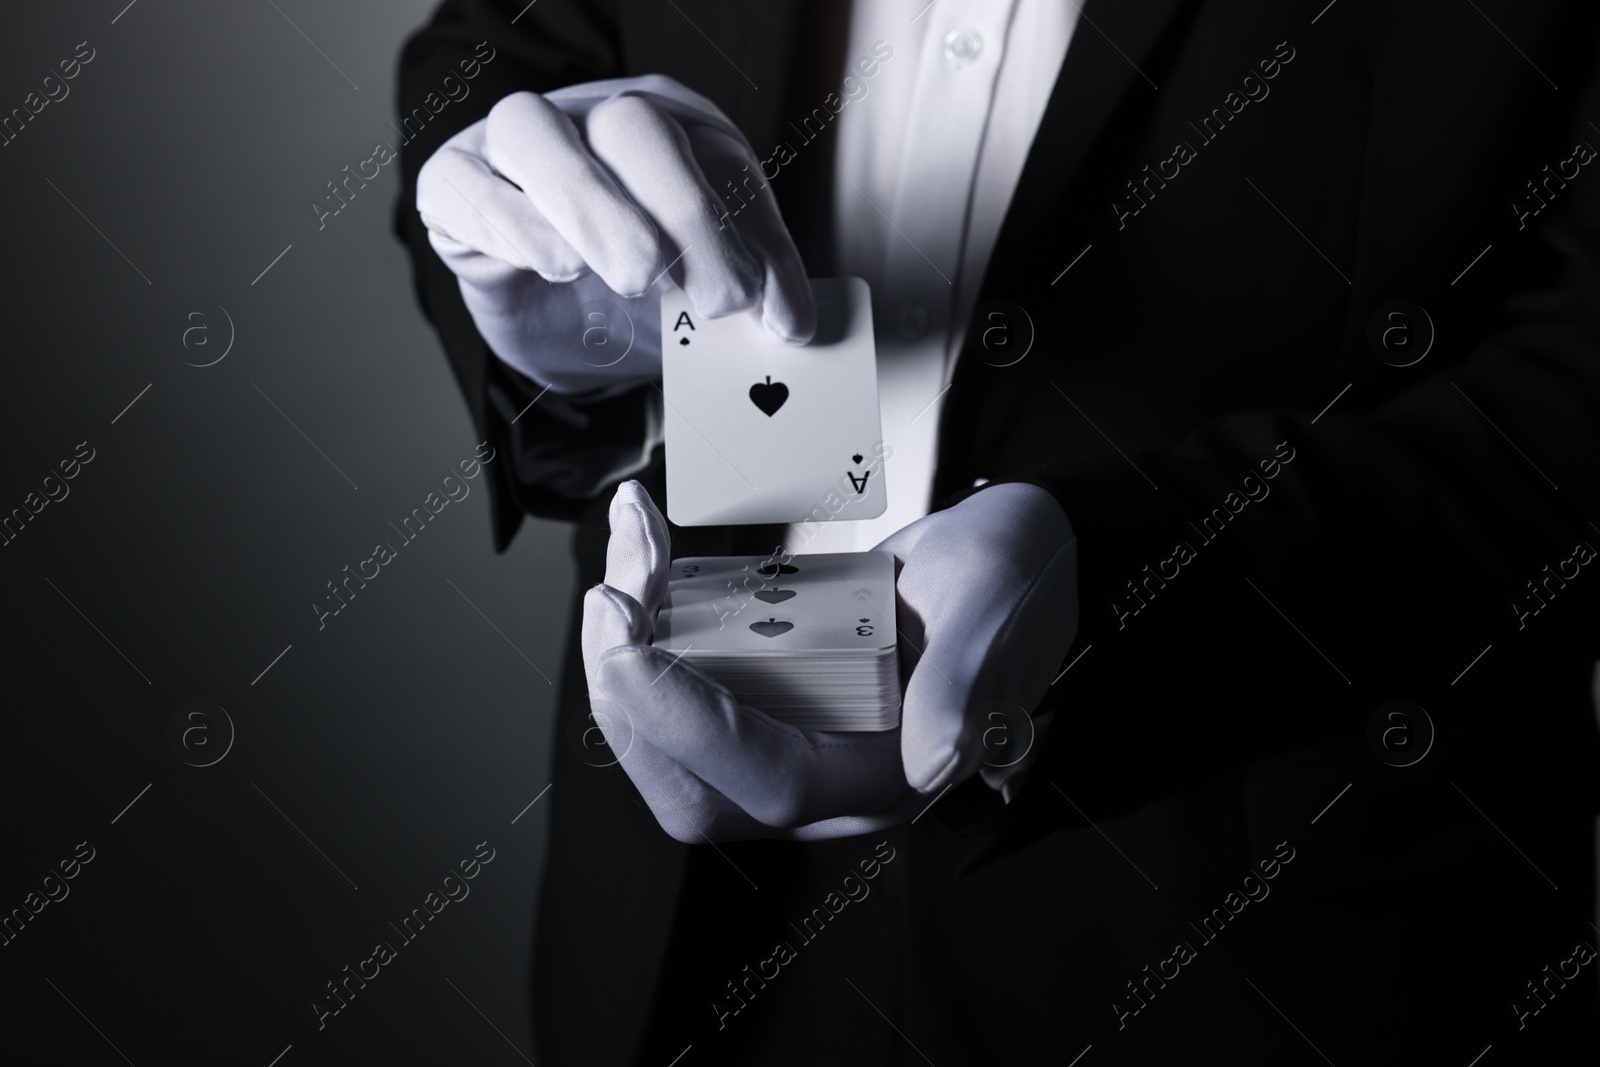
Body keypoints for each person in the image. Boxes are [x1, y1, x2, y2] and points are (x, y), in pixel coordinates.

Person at [396, 1, 1600, 1062]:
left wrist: (1123, 563)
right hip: (677, 912)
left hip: (1250, 924)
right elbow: (500, 46)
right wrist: (550, 298)